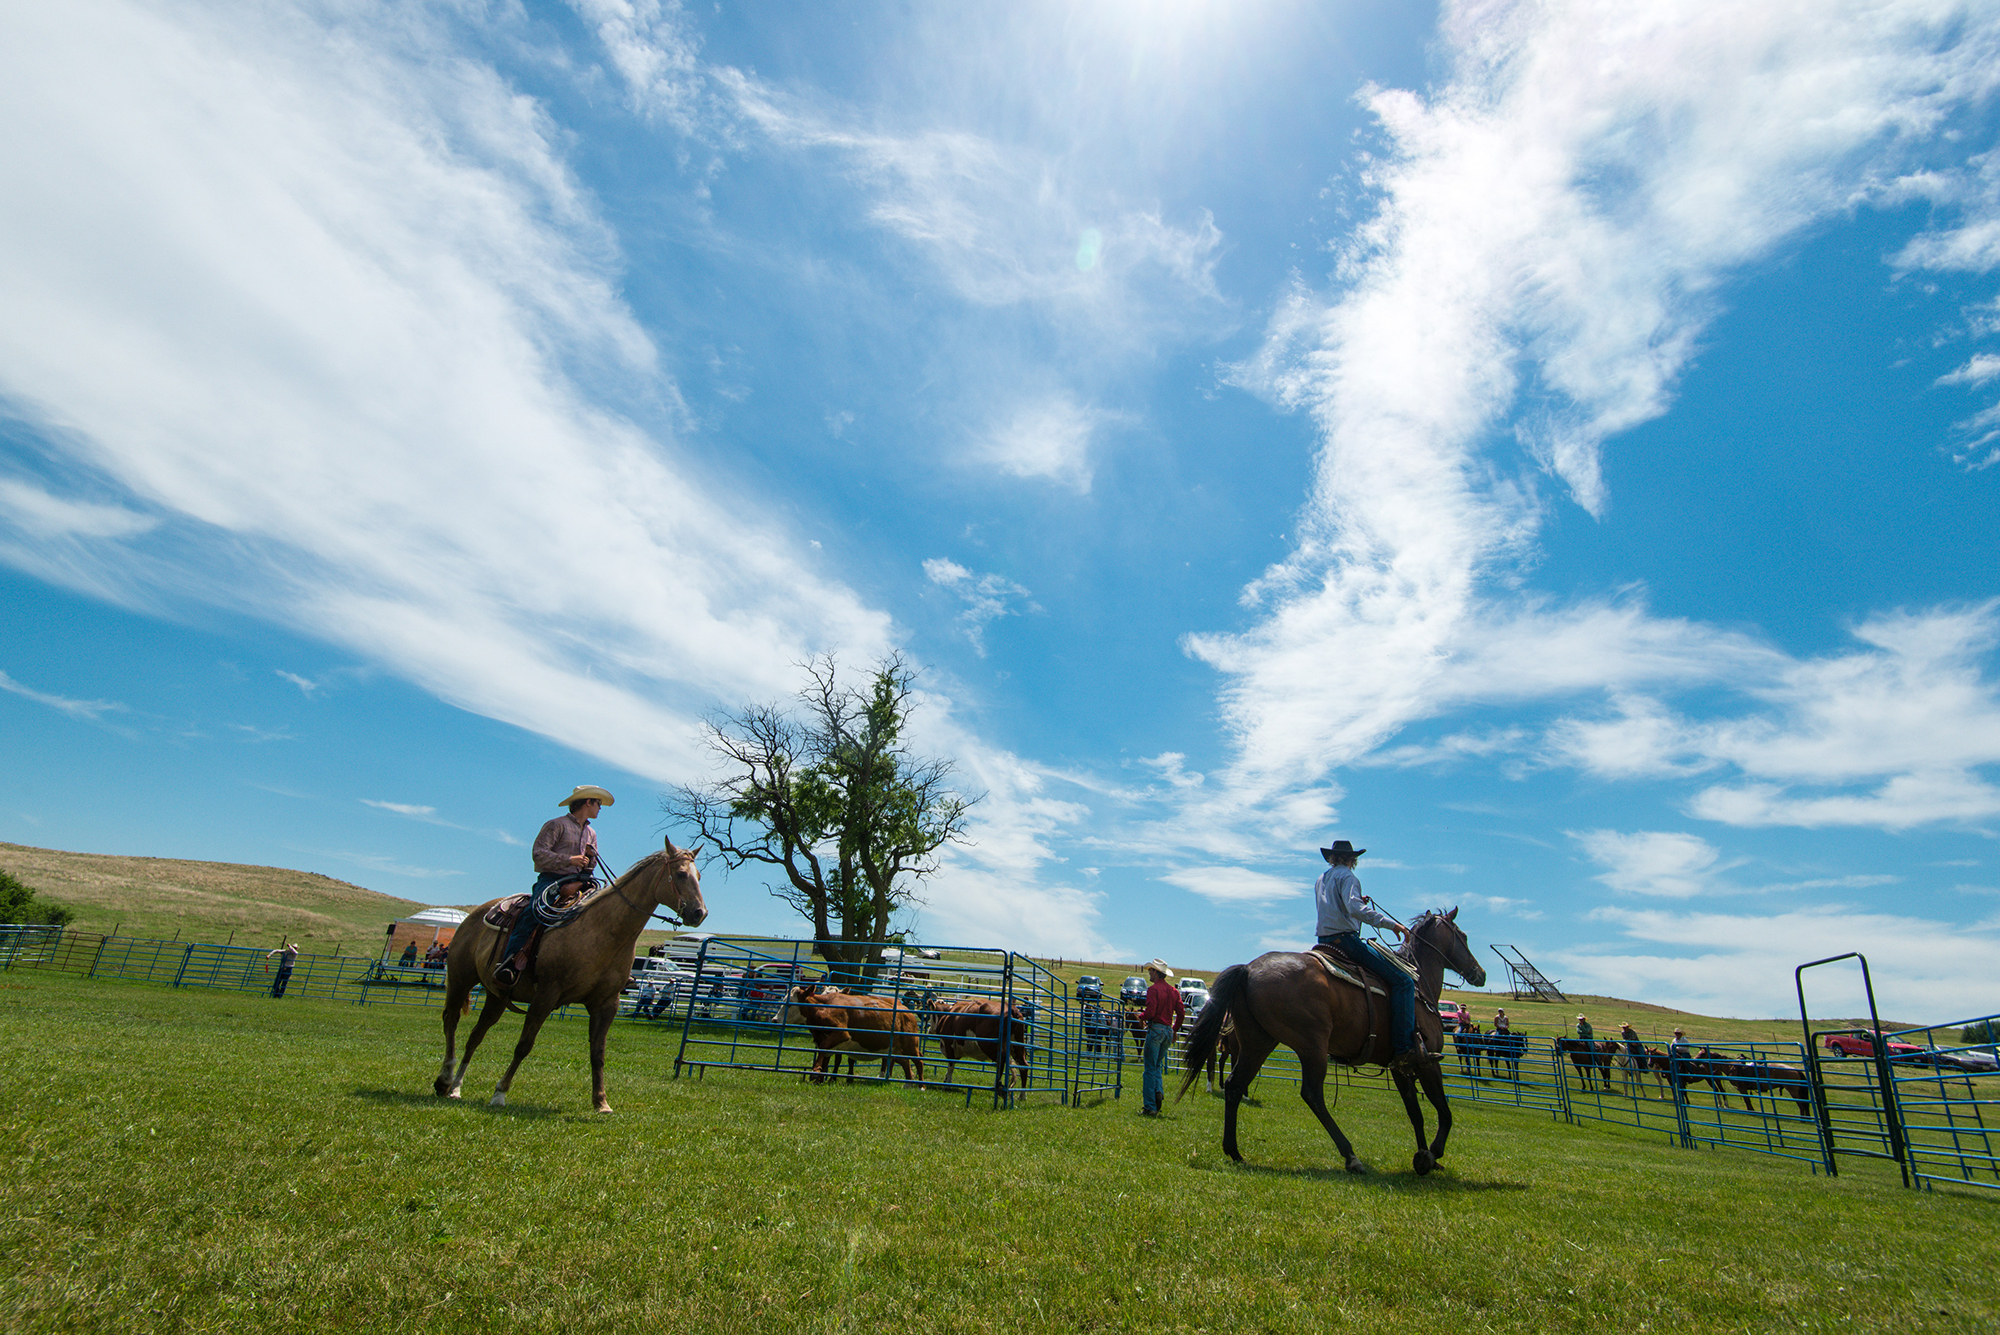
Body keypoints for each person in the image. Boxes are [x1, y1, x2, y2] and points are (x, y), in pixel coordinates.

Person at [1313, 838, 1423, 1070]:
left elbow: (1340, 907)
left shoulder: (1321, 879)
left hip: (1324, 941)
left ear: (1332, 858)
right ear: (1352, 859)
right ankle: (1403, 1049)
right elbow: (1354, 908)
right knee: (1404, 981)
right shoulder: (1349, 877)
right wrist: (1392, 925)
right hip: (1346, 941)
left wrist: (1354, 906)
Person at [495, 785, 614, 989]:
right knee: (534, 912)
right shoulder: (555, 825)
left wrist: (590, 859)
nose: (600, 809)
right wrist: (569, 860)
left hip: (582, 881)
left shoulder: (591, 833)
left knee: (607, 910)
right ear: (588, 802)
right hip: (552, 880)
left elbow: (590, 865)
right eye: (598, 803)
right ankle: (510, 962)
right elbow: (539, 854)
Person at [1137, 959, 1185, 1116]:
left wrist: (1141, 1016)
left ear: (1156, 973)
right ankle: (1158, 1090)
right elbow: (1181, 1013)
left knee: (1149, 1068)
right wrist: (1175, 1030)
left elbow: (1151, 1012)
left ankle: (1150, 1106)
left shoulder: (1153, 990)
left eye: (1150, 970)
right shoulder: (1173, 991)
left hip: (1156, 1029)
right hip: (1167, 1032)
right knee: (1157, 1065)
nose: (1149, 973)